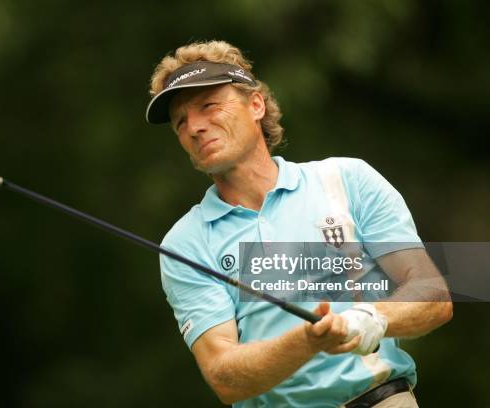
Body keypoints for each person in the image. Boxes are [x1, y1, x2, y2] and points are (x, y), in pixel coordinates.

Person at [146, 40, 452, 407]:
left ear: (255, 104)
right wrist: (307, 341)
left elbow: (433, 294)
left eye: (208, 106)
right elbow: (224, 376)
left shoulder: (347, 179)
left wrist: (372, 317)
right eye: (181, 122)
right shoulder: (185, 243)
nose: (194, 126)